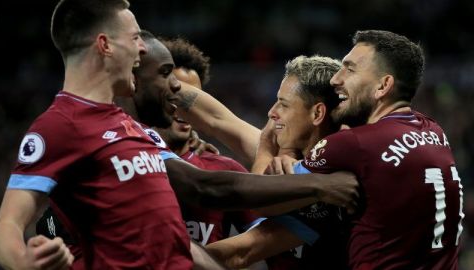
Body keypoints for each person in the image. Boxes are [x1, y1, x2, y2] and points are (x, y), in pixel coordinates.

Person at [0, 1, 358, 267]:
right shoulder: (63, 126)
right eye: (135, 38)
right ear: (105, 45)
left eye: (283, 104)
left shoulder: (136, 131)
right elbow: (7, 225)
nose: (140, 47)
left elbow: (196, 231)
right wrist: (26, 263)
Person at [287, 30, 463, 269]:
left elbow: (270, 200)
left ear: (383, 85)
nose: (335, 79)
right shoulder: (433, 130)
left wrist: (272, 146)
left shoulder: (356, 143)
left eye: (349, 69)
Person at [205, 55, 351, 269]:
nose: (271, 113)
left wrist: (265, 145)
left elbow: (240, 249)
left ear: (318, 113)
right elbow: (217, 120)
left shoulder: (329, 179)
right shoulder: (295, 163)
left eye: (283, 104)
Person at [156, 37, 262, 246]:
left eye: (192, 103)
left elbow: (262, 243)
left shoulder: (224, 168)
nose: (184, 110)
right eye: (174, 95)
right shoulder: (130, 156)